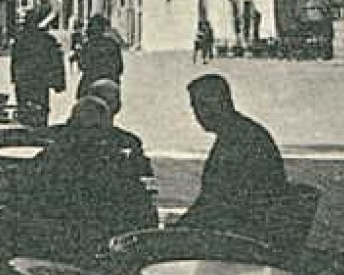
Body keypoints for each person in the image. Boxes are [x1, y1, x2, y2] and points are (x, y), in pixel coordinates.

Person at [15, 97, 158, 262]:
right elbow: (144, 211)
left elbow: (22, 194)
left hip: (51, 246)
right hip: (101, 248)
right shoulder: (117, 163)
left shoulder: (52, 155)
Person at [174, 74, 288, 235]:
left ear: (223, 102)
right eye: (196, 106)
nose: (199, 114)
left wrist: (180, 230)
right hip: (248, 227)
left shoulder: (238, 140)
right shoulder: (240, 132)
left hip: (244, 235)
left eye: (204, 105)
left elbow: (218, 203)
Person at [9, 15, 65, 127]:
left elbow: (14, 62)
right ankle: (39, 132)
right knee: (40, 110)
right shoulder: (47, 40)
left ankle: (27, 133)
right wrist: (59, 82)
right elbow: (57, 61)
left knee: (25, 110)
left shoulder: (20, 40)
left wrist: (15, 77)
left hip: (25, 81)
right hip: (40, 82)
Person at [75, 15, 124, 99]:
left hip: (90, 84)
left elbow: (82, 65)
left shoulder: (87, 45)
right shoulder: (112, 44)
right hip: (109, 83)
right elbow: (119, 67)